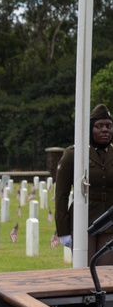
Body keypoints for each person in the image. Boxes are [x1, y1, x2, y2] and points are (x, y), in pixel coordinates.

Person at [56, 103, 113, 265]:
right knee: (85, 272)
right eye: (99, 126)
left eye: (109, 126)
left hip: (110, 223)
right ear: (90, 129)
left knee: (107, 274)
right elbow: (61, 194)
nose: (105, 130)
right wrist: (63, 231)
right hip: (84, 220)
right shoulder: (74, 154)